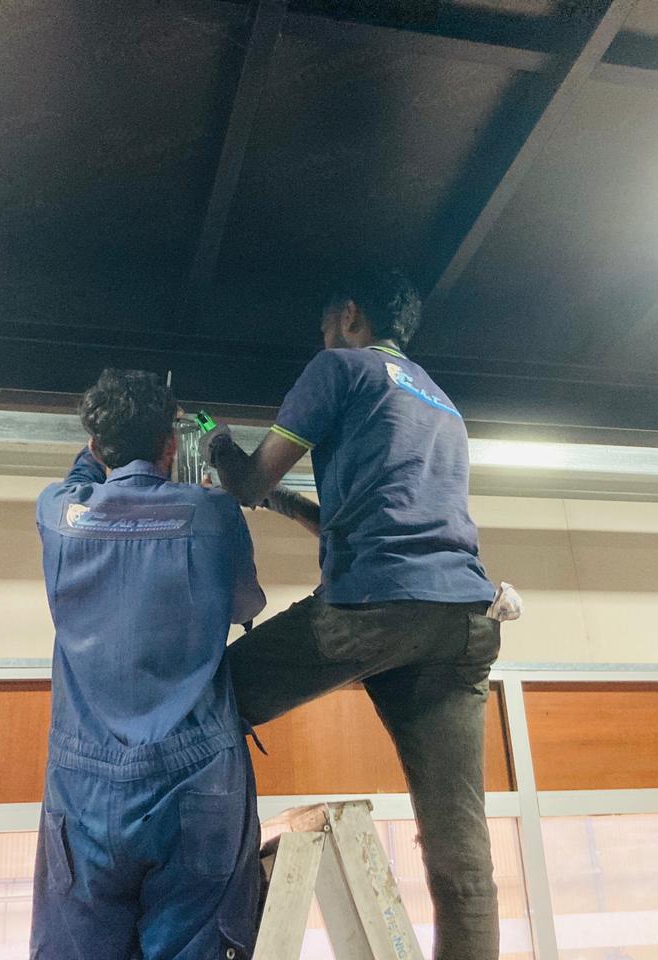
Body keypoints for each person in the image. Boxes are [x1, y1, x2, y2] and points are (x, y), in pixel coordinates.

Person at [202, 267, 503, 960]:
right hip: (462, 619)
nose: (323, 339)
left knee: (205, 699)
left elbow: (247, 480)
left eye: (324, 327)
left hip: (374, 608)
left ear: (348, 314)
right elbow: (373, 519)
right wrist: (284, 503)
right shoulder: (442, 403)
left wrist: (216, 444)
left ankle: (204, 896)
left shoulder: (340, 368)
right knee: (460, 848)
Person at [31, 369, 266, 960]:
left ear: (95, 444)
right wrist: (198, 473)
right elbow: (246, 606)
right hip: (197, 779)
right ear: (169, 445)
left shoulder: (58, 513)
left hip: (83, 788)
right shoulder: (213, 513)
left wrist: (102, 457)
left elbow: (82, 478)